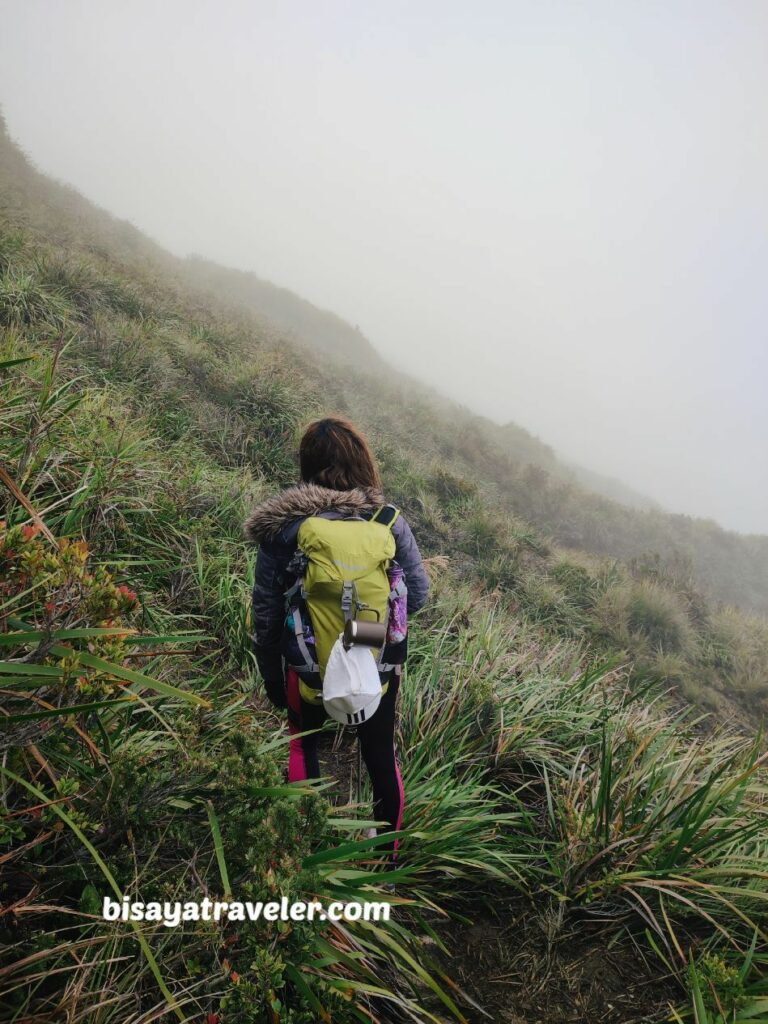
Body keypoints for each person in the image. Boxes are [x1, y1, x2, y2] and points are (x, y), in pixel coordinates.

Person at [244, 416, 429, 855]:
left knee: (302, 746)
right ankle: (387, 865)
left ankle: (299, 856)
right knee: (381, 757)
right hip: (375, 666)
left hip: (306, 664)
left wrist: (273, 676)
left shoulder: (285, 527)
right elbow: (417, 596)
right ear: (364, 463)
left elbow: (266, 613)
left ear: (307, 465)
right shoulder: (388, 522)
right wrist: (361, 631)